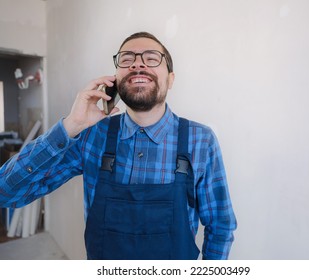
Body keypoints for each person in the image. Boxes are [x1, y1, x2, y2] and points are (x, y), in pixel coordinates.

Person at [0, 32, 237, 260]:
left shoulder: (201, 140)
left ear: (170, 79)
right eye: (127, 59)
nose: (138, 64)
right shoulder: (91, 135)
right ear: (115, 79)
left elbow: (221, 227)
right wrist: (71, 125)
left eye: (152, 58)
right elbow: (6, 193)